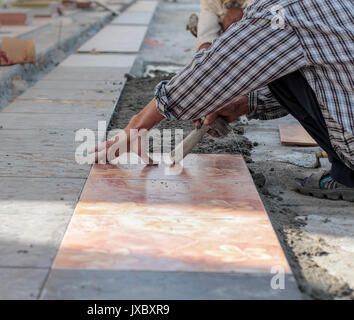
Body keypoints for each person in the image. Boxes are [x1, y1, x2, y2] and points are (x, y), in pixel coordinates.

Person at [91, 0, 354, 202]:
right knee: (280, 67)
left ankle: (348, 173)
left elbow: (211, 75)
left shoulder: (283, 10)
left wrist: (137, 125)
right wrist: (241, 104)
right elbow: (323, 83)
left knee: (266, 62)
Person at [186, 0, 252, 51]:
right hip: (222, 26)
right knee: (196, 23)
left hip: (250, 28)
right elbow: (207, 26)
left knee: (234, 14)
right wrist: (205, 50)